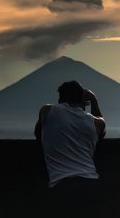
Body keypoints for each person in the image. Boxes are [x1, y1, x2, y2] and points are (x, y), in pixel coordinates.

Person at [34, 80, 106, 217]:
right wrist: (93, 100)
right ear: (82, 99)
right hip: (91, 184)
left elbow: (38, 134)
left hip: (61, 185)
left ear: (60, 98)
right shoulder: (95, 122)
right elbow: (102, 129)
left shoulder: (47, 111)